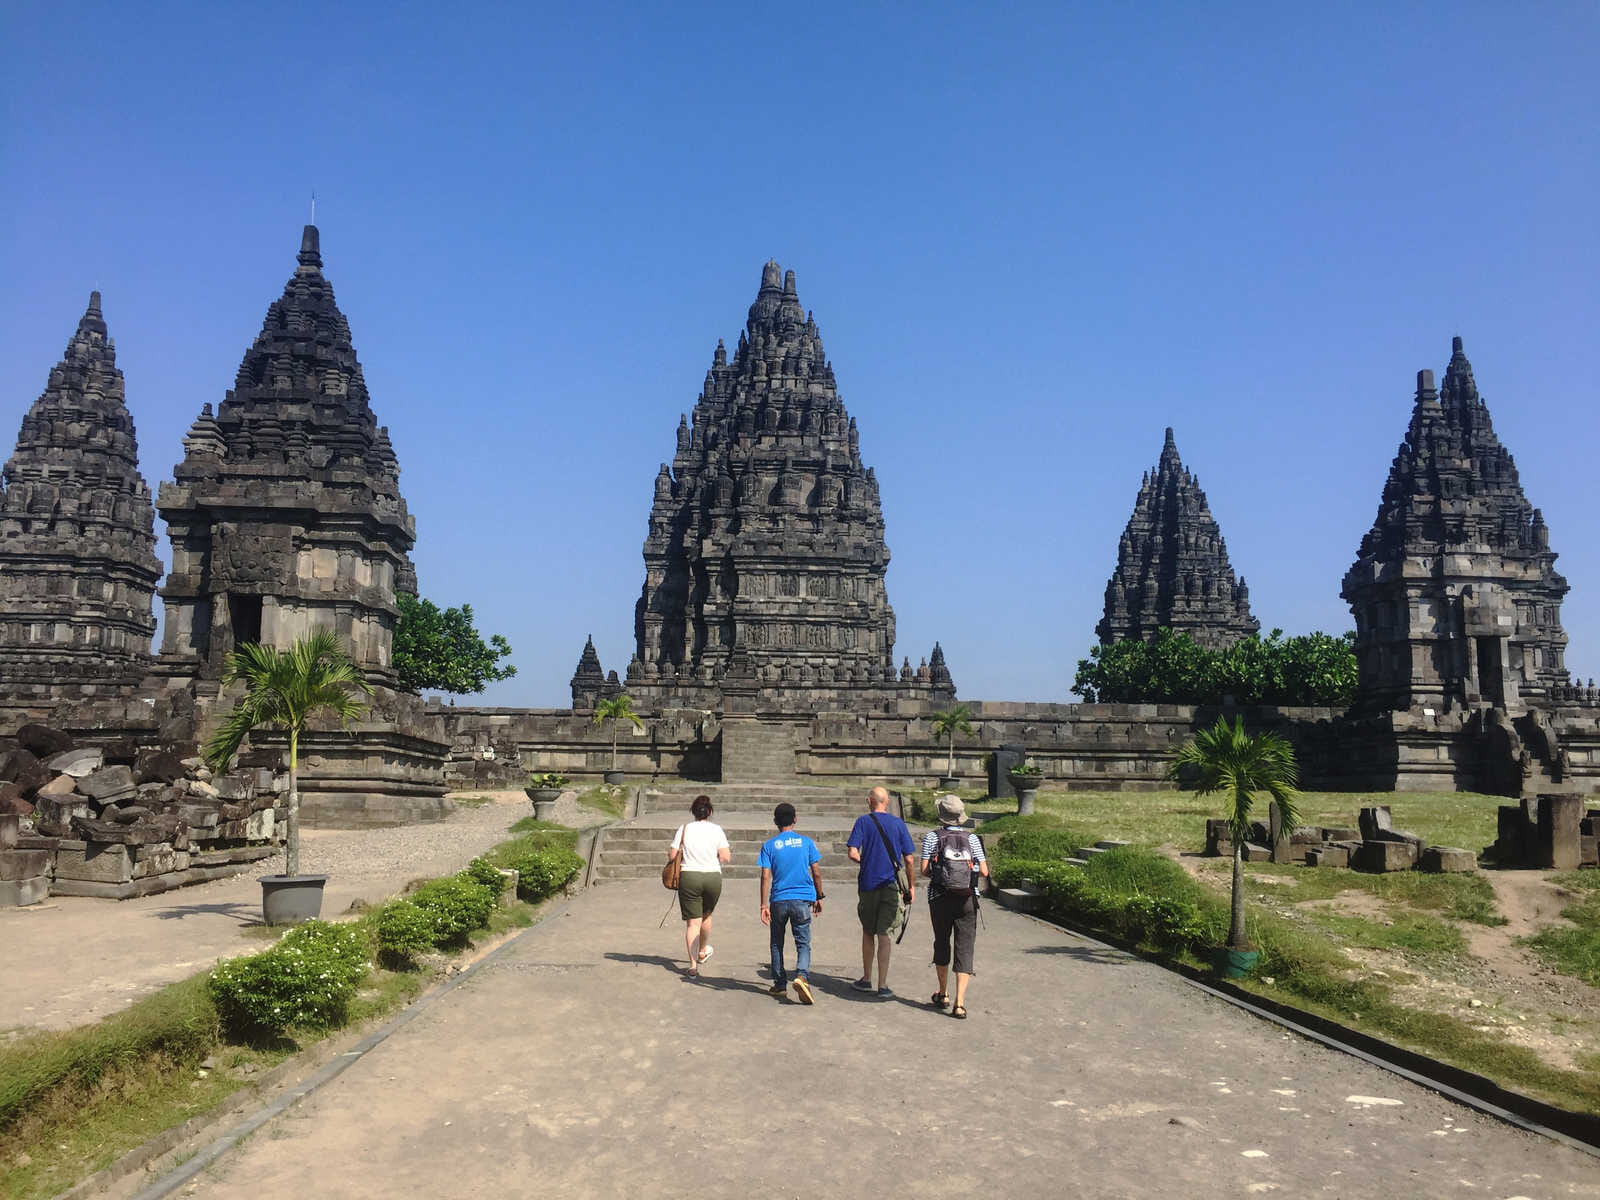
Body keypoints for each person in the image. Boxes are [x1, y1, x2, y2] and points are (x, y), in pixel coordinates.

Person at [920, 795, 989, 1019]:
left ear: (941, 815)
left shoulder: (933, 837)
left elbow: (924, 870)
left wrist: (943, 873)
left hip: (939, 898)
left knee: (942, 943)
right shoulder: (973, 839)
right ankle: (959, 1004)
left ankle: (943, 993)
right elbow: (985, 872)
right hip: (968, 899)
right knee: (965, 948)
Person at [846, 785, 916, 997]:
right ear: (887, 802)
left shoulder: (862, 822)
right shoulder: (898, 824)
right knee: (884, 933)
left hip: (868, 883)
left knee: (868, 931)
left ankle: (867, 979)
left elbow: (852, 852)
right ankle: (883, 985)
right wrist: (911, 885)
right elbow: (909, 859)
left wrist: (865, 860)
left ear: (869, 801)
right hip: (891, 884)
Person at [758, 802, 825, 1004]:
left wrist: (763, 905)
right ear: (795, 819)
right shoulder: (806, 843)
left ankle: (780, 985)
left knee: (777, 943)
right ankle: (802, 976)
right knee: (803, 942)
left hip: (778, 899)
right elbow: (817, 872)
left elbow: (765, 876)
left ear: (775, 822)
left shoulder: (769, 846)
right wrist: (819, 896)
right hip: (802, 900)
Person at [666, 794, 731, 977]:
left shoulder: (684, 829)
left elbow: (672, 856)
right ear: (709, 812)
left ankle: (693, 965)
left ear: (693, 812)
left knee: (692, 924)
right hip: (712, 877)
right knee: (706, 915)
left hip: (689, 876)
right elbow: (726, 857)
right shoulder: (717, 830)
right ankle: (703, 950)